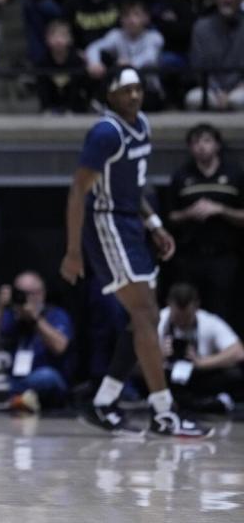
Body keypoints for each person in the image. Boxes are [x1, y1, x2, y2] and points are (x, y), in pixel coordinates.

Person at [60, 65, 211, 437]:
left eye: (138, 89)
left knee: (143, 318)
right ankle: (164, 412)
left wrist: (155, 224)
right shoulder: (104, 132)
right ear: (110, 95)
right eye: (126, 90)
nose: (134, 96)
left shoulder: (142, 123)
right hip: (106, 222)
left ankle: (104, 400)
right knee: (145, 316)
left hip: (130, 219)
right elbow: (78, 191)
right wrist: (73, 251)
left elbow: (133, 187)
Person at [0, 271, 73, 412]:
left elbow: (60, 347)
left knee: (48, 377)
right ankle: (19, 400)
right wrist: (0, 307)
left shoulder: (55, 314)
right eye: (20, 293)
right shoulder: (9, 315)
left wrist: (35, 319)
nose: (25, 298)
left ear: (42, 293)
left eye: (31, 293)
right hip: (7, 378)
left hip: (35, 376)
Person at [167, 123, 244, 324]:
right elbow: (169, 217)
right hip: (190, 257)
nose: (201, 146)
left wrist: (220, 209)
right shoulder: (181, 176)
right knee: (189, 309)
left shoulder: (235, 175)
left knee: (225, 310)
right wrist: (189, 213)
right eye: (195, 142)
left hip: (224, 257)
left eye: (207, 140)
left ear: (217, 145)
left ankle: (227, 353)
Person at [158, 283, 243, 413]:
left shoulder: (209, 321)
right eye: (177, 317)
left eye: (186, 318)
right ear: (169, 304)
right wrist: (157, 356)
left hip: (199, 376)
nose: (181, 322)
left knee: (234, 374)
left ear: (196, 307)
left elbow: (239, 352)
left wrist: (202, 362)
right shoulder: (158, 320)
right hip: (165, 376)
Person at [185, 0, 244, 111]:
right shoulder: (201, 27)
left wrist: (238, 88)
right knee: (193, 98)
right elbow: (198, 66)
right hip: (210, 89)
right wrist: (218, 92)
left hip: (241, 88)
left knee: (238, 100)